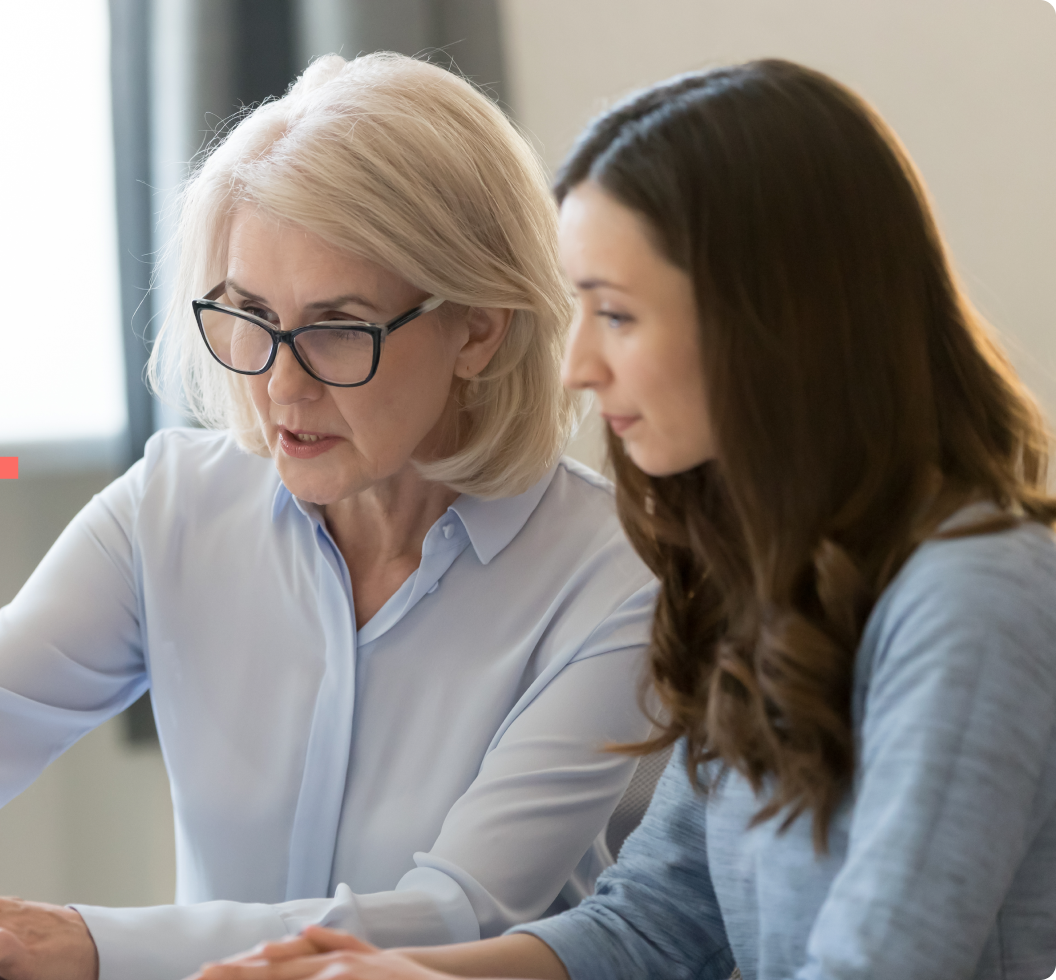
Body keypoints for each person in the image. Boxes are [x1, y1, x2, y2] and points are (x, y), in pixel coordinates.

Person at [0, 52, 659, 980]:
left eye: (337, 326)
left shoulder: (612, 578)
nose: (280, 385)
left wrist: (96, 943)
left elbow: (459, 910)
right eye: (249, 315)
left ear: (479, 327)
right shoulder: (175, 505)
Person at [195, 59, 1056, 980]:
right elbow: (657, 922)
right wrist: (404, 976)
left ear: (770, 323)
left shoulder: (974, 597)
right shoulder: (766, 585)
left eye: (617, 314)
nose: (578, 367)